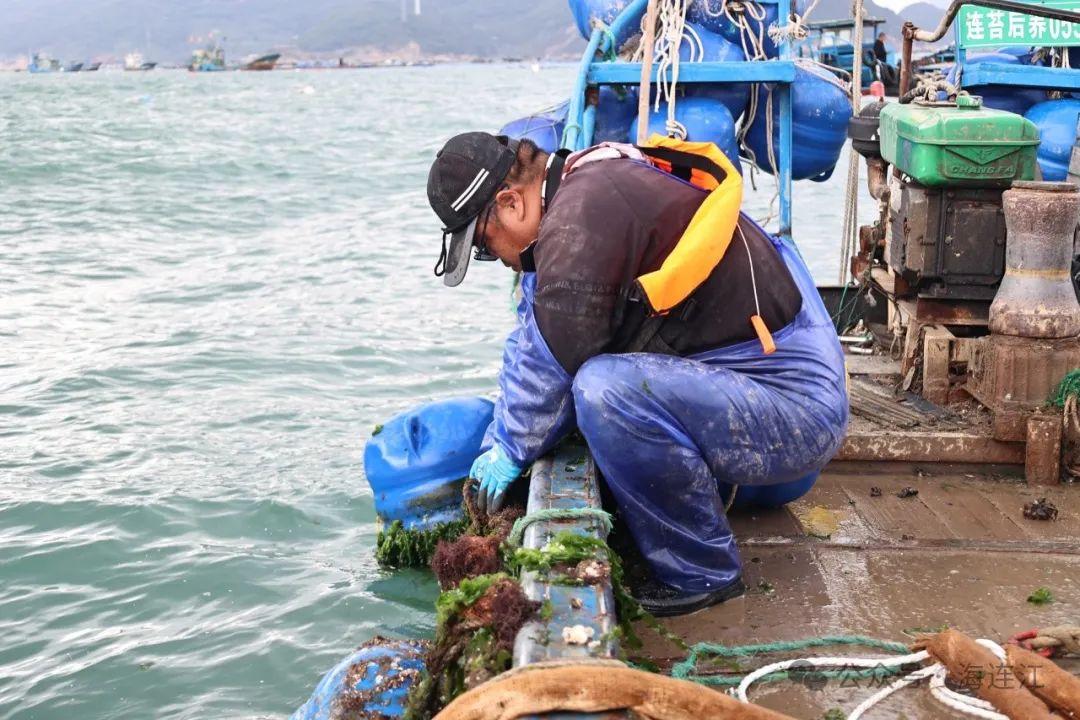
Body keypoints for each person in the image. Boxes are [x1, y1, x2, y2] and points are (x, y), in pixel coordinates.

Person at [425, 132, 848, 616]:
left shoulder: (579, 219)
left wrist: (511, 448)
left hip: (796, 411)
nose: (497, 259)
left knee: (604, 391)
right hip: (763, 384)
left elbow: (551, 371)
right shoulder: (579, 187)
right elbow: (530, 337)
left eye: (484, 245)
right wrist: (498, 440)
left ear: (510, 202)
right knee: (601, 387)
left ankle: (701, 572)